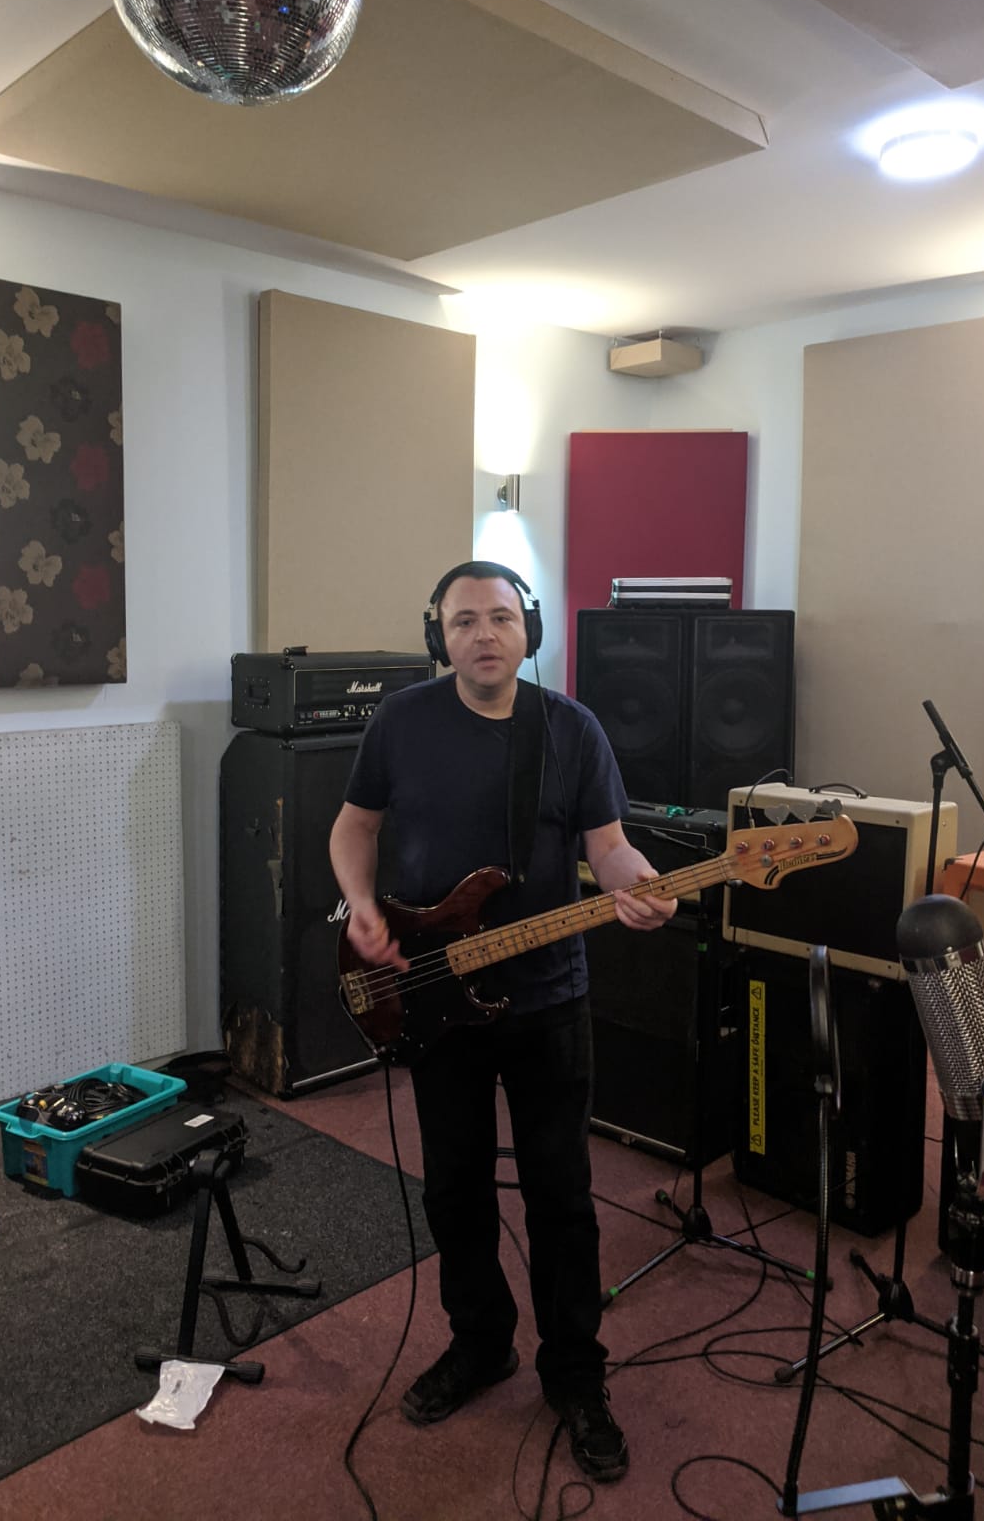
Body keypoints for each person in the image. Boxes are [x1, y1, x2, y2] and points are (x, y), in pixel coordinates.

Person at [328, 559, 676, 1484]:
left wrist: (640, 886)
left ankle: (576, 1375)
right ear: (437, 636)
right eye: (462, 621)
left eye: (500, 617)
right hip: (434, 995)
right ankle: (481, 1343)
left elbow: (609, 846)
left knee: (562, 1197)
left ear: (529, 630)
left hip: (548, 997)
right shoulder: (401, 721)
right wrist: (360, 906)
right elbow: (354, 826)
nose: (483, 634)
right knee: (455, 1189)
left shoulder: (571, 729)